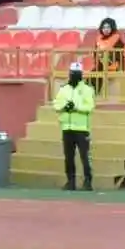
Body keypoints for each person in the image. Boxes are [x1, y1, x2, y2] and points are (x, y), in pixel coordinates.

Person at [52, 60, 95, 191]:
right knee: (68, 157)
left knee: (84, 156)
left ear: (81, 74)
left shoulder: (87, 89)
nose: (74, 75)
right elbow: (56, 104)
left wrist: (76, 107)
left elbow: (89, 106)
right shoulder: (64, 89)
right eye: (72, 73)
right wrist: (65, 106)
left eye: (76, 73)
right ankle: (70, 181)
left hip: (82, 129)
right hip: (67, 128)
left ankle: (88, 181)